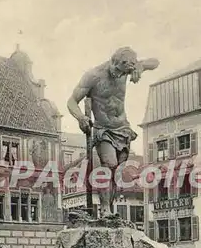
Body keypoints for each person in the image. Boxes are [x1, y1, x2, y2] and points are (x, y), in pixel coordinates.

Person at [67, 47, 159, 215]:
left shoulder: (127, 69)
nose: (120, 75)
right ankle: (104, 208)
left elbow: (155, 62)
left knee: (117, 172)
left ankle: (108, 211)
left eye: (124, 72)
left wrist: (139, 67)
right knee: (108, 165)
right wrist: (81, 117)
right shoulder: (93, 76)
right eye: (117, 70)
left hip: (123, 128)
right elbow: (72, 101)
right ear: (114, 62)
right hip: (104, 129)